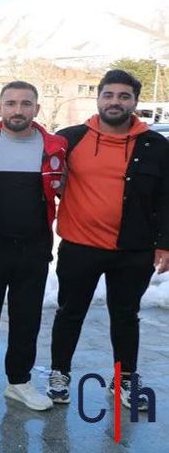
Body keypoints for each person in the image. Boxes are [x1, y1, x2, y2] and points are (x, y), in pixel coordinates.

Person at [47, 69, 169, 409]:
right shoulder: (69, 139)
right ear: (98, 98)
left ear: (134, 102)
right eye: (109, 95)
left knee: (126, 315)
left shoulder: (156, 146)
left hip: (133, 249)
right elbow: (46, 183)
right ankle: (59, 374)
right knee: (69, 313)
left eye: (123, 96)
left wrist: (165, 243)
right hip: (79, 246)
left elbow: (166, 198)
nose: (115, 102)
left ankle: (125, 379)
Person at [0, 81, 66, 411]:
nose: (17, 110)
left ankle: (19, 381)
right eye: (10, 103)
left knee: (27, 317)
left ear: (36, 109)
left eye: (25, 103)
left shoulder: (53, 147)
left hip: (34, 247)